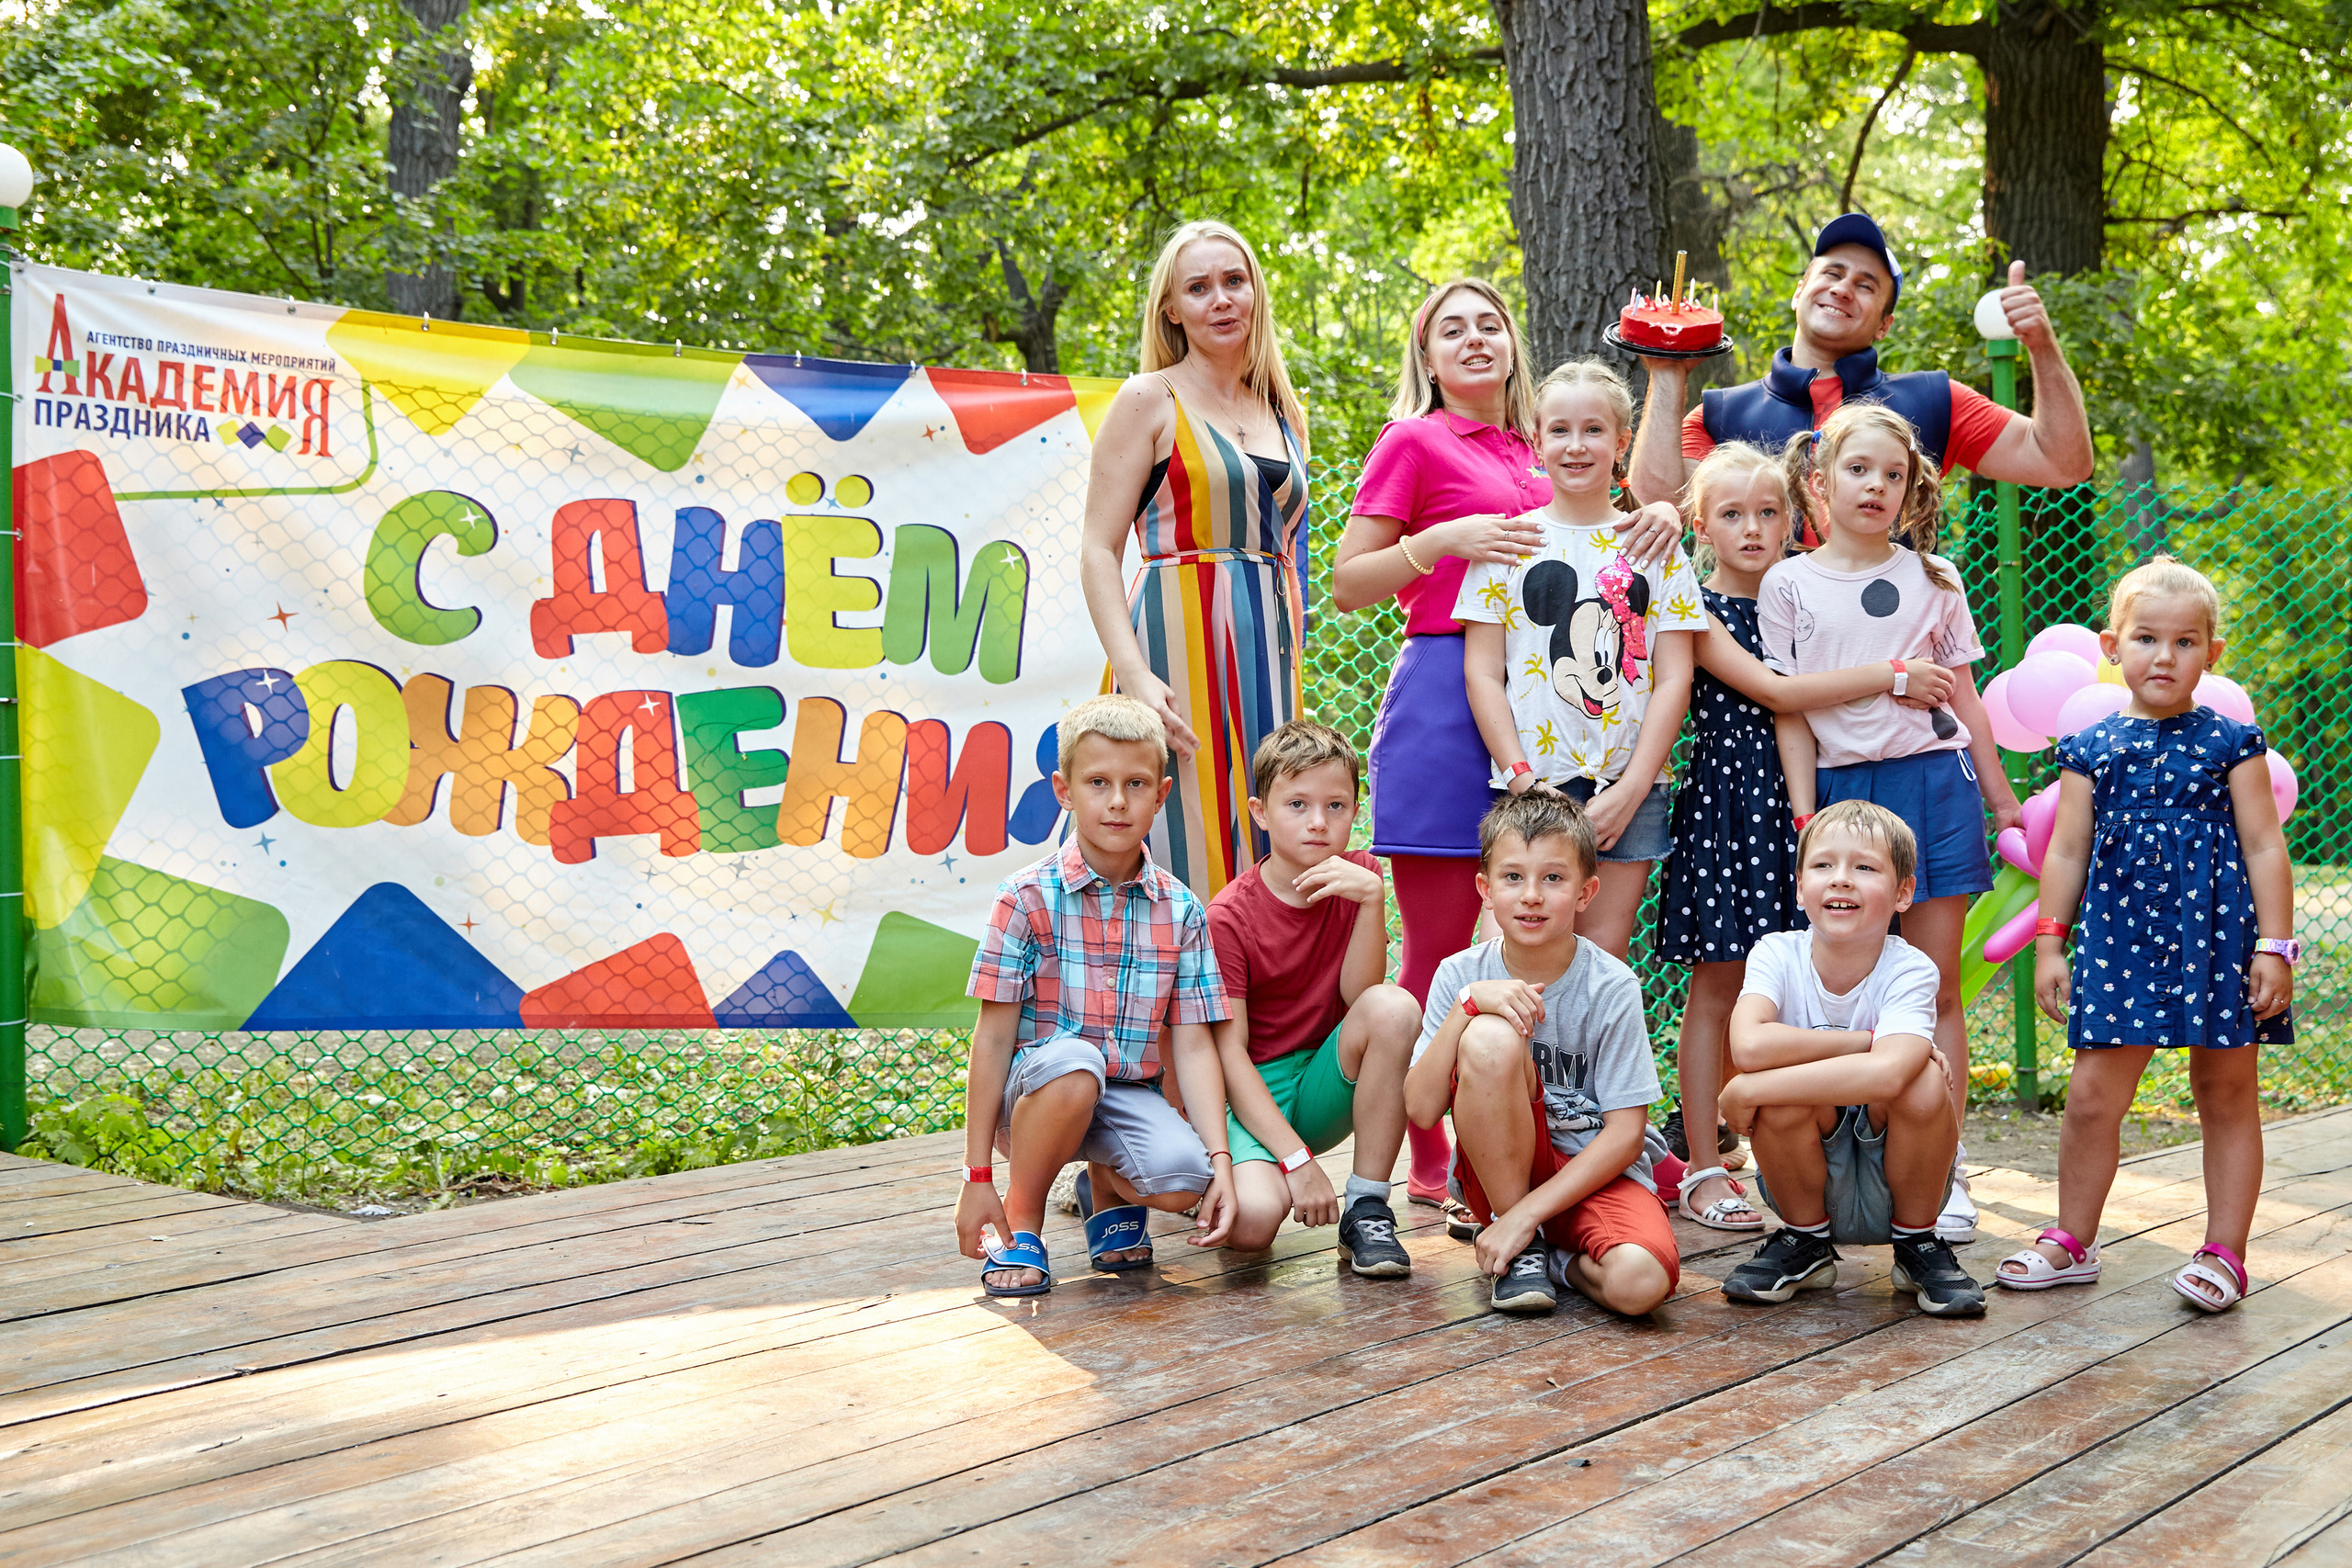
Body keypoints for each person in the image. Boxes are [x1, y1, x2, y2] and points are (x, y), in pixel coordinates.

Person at [1333, 279, 1682, 1218]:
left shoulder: (1541, 446)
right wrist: (1437, 541)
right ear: (1428, 353)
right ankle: (1425, 1156)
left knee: (1549, 941)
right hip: (1451, 709)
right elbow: (1345, 584)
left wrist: (1669, 514)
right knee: (1445, 946)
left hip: (1561, 718)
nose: (1475, 338)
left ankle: (1545, 1140)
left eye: (1489, 323)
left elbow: (1613, 531)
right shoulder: (1413, 442)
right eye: (1452, 327)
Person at [1653, 441, 1963, 1233]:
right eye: (1731, 514)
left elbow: (1803, 716)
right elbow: (1775, 690)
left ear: (1795, 519)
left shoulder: (1805, 595)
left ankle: (1820, 1156)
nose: (1753, 529)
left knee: (1800, 980)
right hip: (1728, 807)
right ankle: (1702, 1163)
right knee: (1718, 987)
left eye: (1768, 513)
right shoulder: (1696, 606)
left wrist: (1806, 816)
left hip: (1803, 810)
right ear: (1702, 523)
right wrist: (1893, 674)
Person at [2001, 558, 2294, 1314]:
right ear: (2112, 645)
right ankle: (2072, 1239)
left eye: (2186, 642)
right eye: (2146, 638)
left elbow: (2266, 846)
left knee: (2225, 1093)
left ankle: (2226, 1252)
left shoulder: (2235, 743)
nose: (2165, 657)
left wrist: (2275, 946)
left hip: (2217, 943)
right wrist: (2049, 941)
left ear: (2212, 654)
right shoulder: (2088, 747)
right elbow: (2064, 851)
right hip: (2118, 941)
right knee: (2094, 1097)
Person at [1760, 402, 2023, 1243]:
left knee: (1939, 983)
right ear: (1820, 482)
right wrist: (1808, 812)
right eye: (1858, 469)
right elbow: (1789, 711)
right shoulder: (1788, 583)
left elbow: (1969, 700)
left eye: (1894, 474)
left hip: (1932, 790)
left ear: (1911, 493)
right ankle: (1845, 1162)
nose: (1875, 485)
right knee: (1842, 985)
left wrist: (2003, 797)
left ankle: (1941, 1175)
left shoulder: (1936, 578)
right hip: (1841, 796)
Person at [956, 694, 1237, 1297]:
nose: (1117, 801)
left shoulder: (1181, 909)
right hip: (1034, 1097)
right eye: (1098, 782)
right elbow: (994, 1037)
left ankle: (1103, 1187)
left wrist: (1221, 1160)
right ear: (1064, 789)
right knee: (1077, 1066)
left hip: (1124, 1096)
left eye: (1136, 783)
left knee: (1186, 1180)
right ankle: (1022, 1217)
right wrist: (976, 1170)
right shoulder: (1025, 897)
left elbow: (1193, 1045)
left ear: (1161, 794)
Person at [1080, 220, 1310, 902]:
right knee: (1179, 826)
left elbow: (1288, 552)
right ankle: (1164, 1001)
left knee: (1269, 821)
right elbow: (1098, 547)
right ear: (1172, 309)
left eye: (1234, 282)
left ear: (1256, 293)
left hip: (1270, 651)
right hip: (1175, 648)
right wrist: (1135, 674)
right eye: (1199, 287)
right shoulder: (1149, 397)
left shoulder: (1283, 410)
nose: (1221, 300)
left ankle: (1248, 1004)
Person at [1455, 359, 1705, 961]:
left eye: (1594, 430)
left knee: (1600, 955)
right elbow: (1483, 672)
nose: (1576, 445)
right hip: (1533, 780)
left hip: (1630, 786)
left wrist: (1636, 782)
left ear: (1622, 442)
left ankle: (1583, 1062)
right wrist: (1522, 779)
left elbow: (1675, 675)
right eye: (1559, 430)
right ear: (1536, 440)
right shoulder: (1506, 544)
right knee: (1510, 960)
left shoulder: (1655, 546)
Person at [1403, 792, 1679, 1317]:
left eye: (1553, 878)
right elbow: (1419, 1107)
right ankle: (1523, 1249)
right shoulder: (1459, 975)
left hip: (1593, 1173)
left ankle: (1547, 1256)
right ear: (1485, 889)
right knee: (1489, 1037)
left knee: (1641, 1284)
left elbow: (1624, 1135)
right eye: (1513, 877)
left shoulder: (1612, 986)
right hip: (1504, 1170)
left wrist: (1529, 1214)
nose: (1531, 896)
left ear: (1585, 892)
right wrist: (1468, 1006)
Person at [1627, 211, 2094, 513]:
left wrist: (2042, 345)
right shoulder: (1720, 413)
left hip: (1890, 648)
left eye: (1866, 285)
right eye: (1832, 272)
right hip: (1760, 656)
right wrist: (1668, 374)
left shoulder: (1936, 401)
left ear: (1884, 324)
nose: (1844, 287)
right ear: (1798, 292)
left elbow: (2062, 462)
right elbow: (1662, 501)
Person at [1718, 800, 1987, 1318]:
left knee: (1924, 1081)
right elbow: (1749, 1046)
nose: (1841, 880)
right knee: (1781, 1080)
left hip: (1901, 1174)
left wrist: (1749, 1090)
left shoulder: (1910, 968)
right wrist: (1865, 1039)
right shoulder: (1776, 953)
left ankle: (1919, 1247)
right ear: (1799, 887)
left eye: (1864, 867)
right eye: (1823, 866)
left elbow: (1890, 1075)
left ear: (1903, 892)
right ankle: (1804, 1244)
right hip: (1807, 1171)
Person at [1209, 720, 1422, 1276]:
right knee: (1253, 1226)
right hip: (1255, 1092)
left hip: (1326, 1081)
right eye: (1297, 804)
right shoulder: (1229, 916)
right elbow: (1229, 1057)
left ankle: (1368, 1207)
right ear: (1260, 812)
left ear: (1356, 810)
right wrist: (1297, 1160)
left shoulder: (1361, 875)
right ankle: (1207, 1179)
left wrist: (1374, 904)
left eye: (1336, 806)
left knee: (1395, 1006)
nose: (1318, 823)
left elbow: (1362, 998)